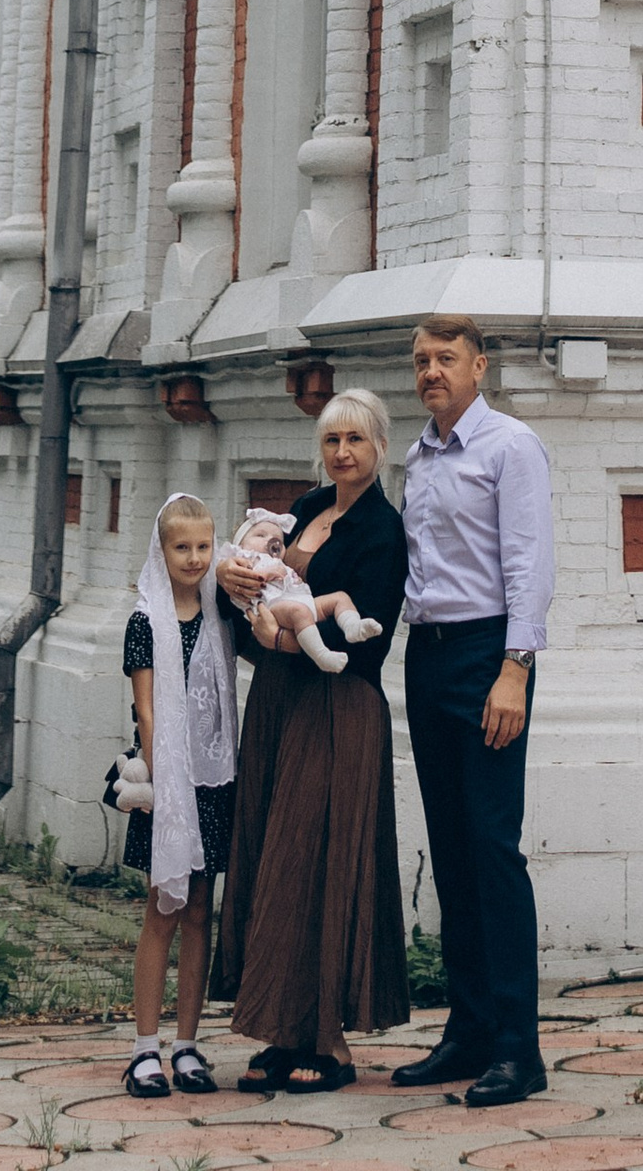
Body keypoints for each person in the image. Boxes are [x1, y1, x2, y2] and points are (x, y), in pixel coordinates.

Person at [212, 390, 409, 1096]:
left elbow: (367, 641)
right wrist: (231, 578)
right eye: (332, 440)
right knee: (275, 854)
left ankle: (330, 1041)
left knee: (319, 859)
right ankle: (283, 1028)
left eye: (355, 439)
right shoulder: (304, 507)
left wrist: (282, 637)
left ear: (380, 446)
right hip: (278, 701)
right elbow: (255, 601)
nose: (343, 452)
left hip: (338, 707)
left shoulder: (383, 530)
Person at [394, 316, 555, 1108]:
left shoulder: (510, 447)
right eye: (422, 360)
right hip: (427, 658)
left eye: (446, 358)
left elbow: (530, 563)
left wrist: (514, 670)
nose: (432, 371)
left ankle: (519, 1051)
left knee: (493, 850)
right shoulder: (417, 457)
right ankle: (468, 1031)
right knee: (452, 850)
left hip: (489, 658)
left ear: (479, 366)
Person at [119, 493, 238, 1103]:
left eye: (203, 546)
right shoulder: (146, 621)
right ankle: (145, 1048)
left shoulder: (220, 615)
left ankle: (188, 1044)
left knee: (198, 912)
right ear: (161, 551)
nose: (193, 558)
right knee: (161, 911)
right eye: (181, 547)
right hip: (169, 784)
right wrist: (168, 789)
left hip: (212, 782)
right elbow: (147, 710)